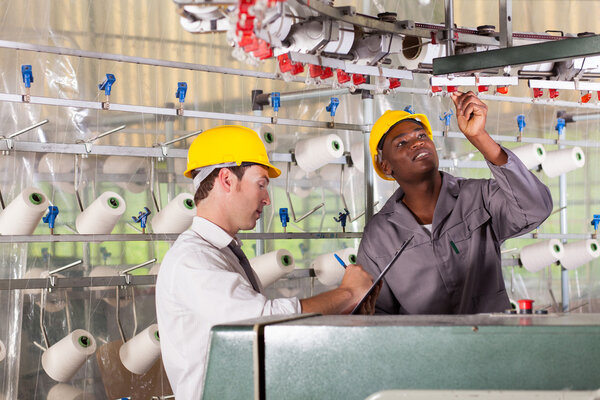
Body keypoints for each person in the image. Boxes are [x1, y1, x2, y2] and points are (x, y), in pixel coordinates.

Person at [155, 125, 377, 399]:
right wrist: (348, 293)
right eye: (260, 184)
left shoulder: (223, 252)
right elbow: (264, 322)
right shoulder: (193, 260)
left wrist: (347, 310)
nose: (267, 198)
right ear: (226, 179)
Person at [357, 91, 553, 315]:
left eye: (421, 136)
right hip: (426, 348)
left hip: (490, 341)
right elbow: (378, 312)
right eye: (401, 143)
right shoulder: (379, 235)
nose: (416, 144)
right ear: (386, 166)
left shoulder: (478, 197)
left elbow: (536, 209)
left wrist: (479, 137)